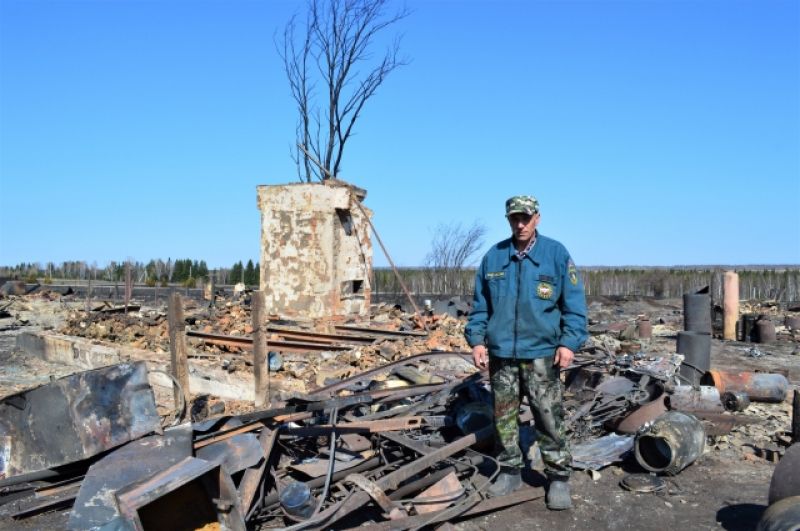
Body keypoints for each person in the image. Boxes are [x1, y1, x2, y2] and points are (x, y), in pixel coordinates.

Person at [464, 195, 587, 510]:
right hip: (502, 354)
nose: (520, 224)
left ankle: (558, 478)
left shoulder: (555, 255)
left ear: (537, 218)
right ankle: (509, 470)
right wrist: (478, 341)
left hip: (541, 354)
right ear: (507, 219)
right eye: (514, 218)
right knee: (504, 416)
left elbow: (574, 306)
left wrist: (568, 343)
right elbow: (480, 307)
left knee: (548, 417)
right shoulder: (495, 257)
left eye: (526, 218)